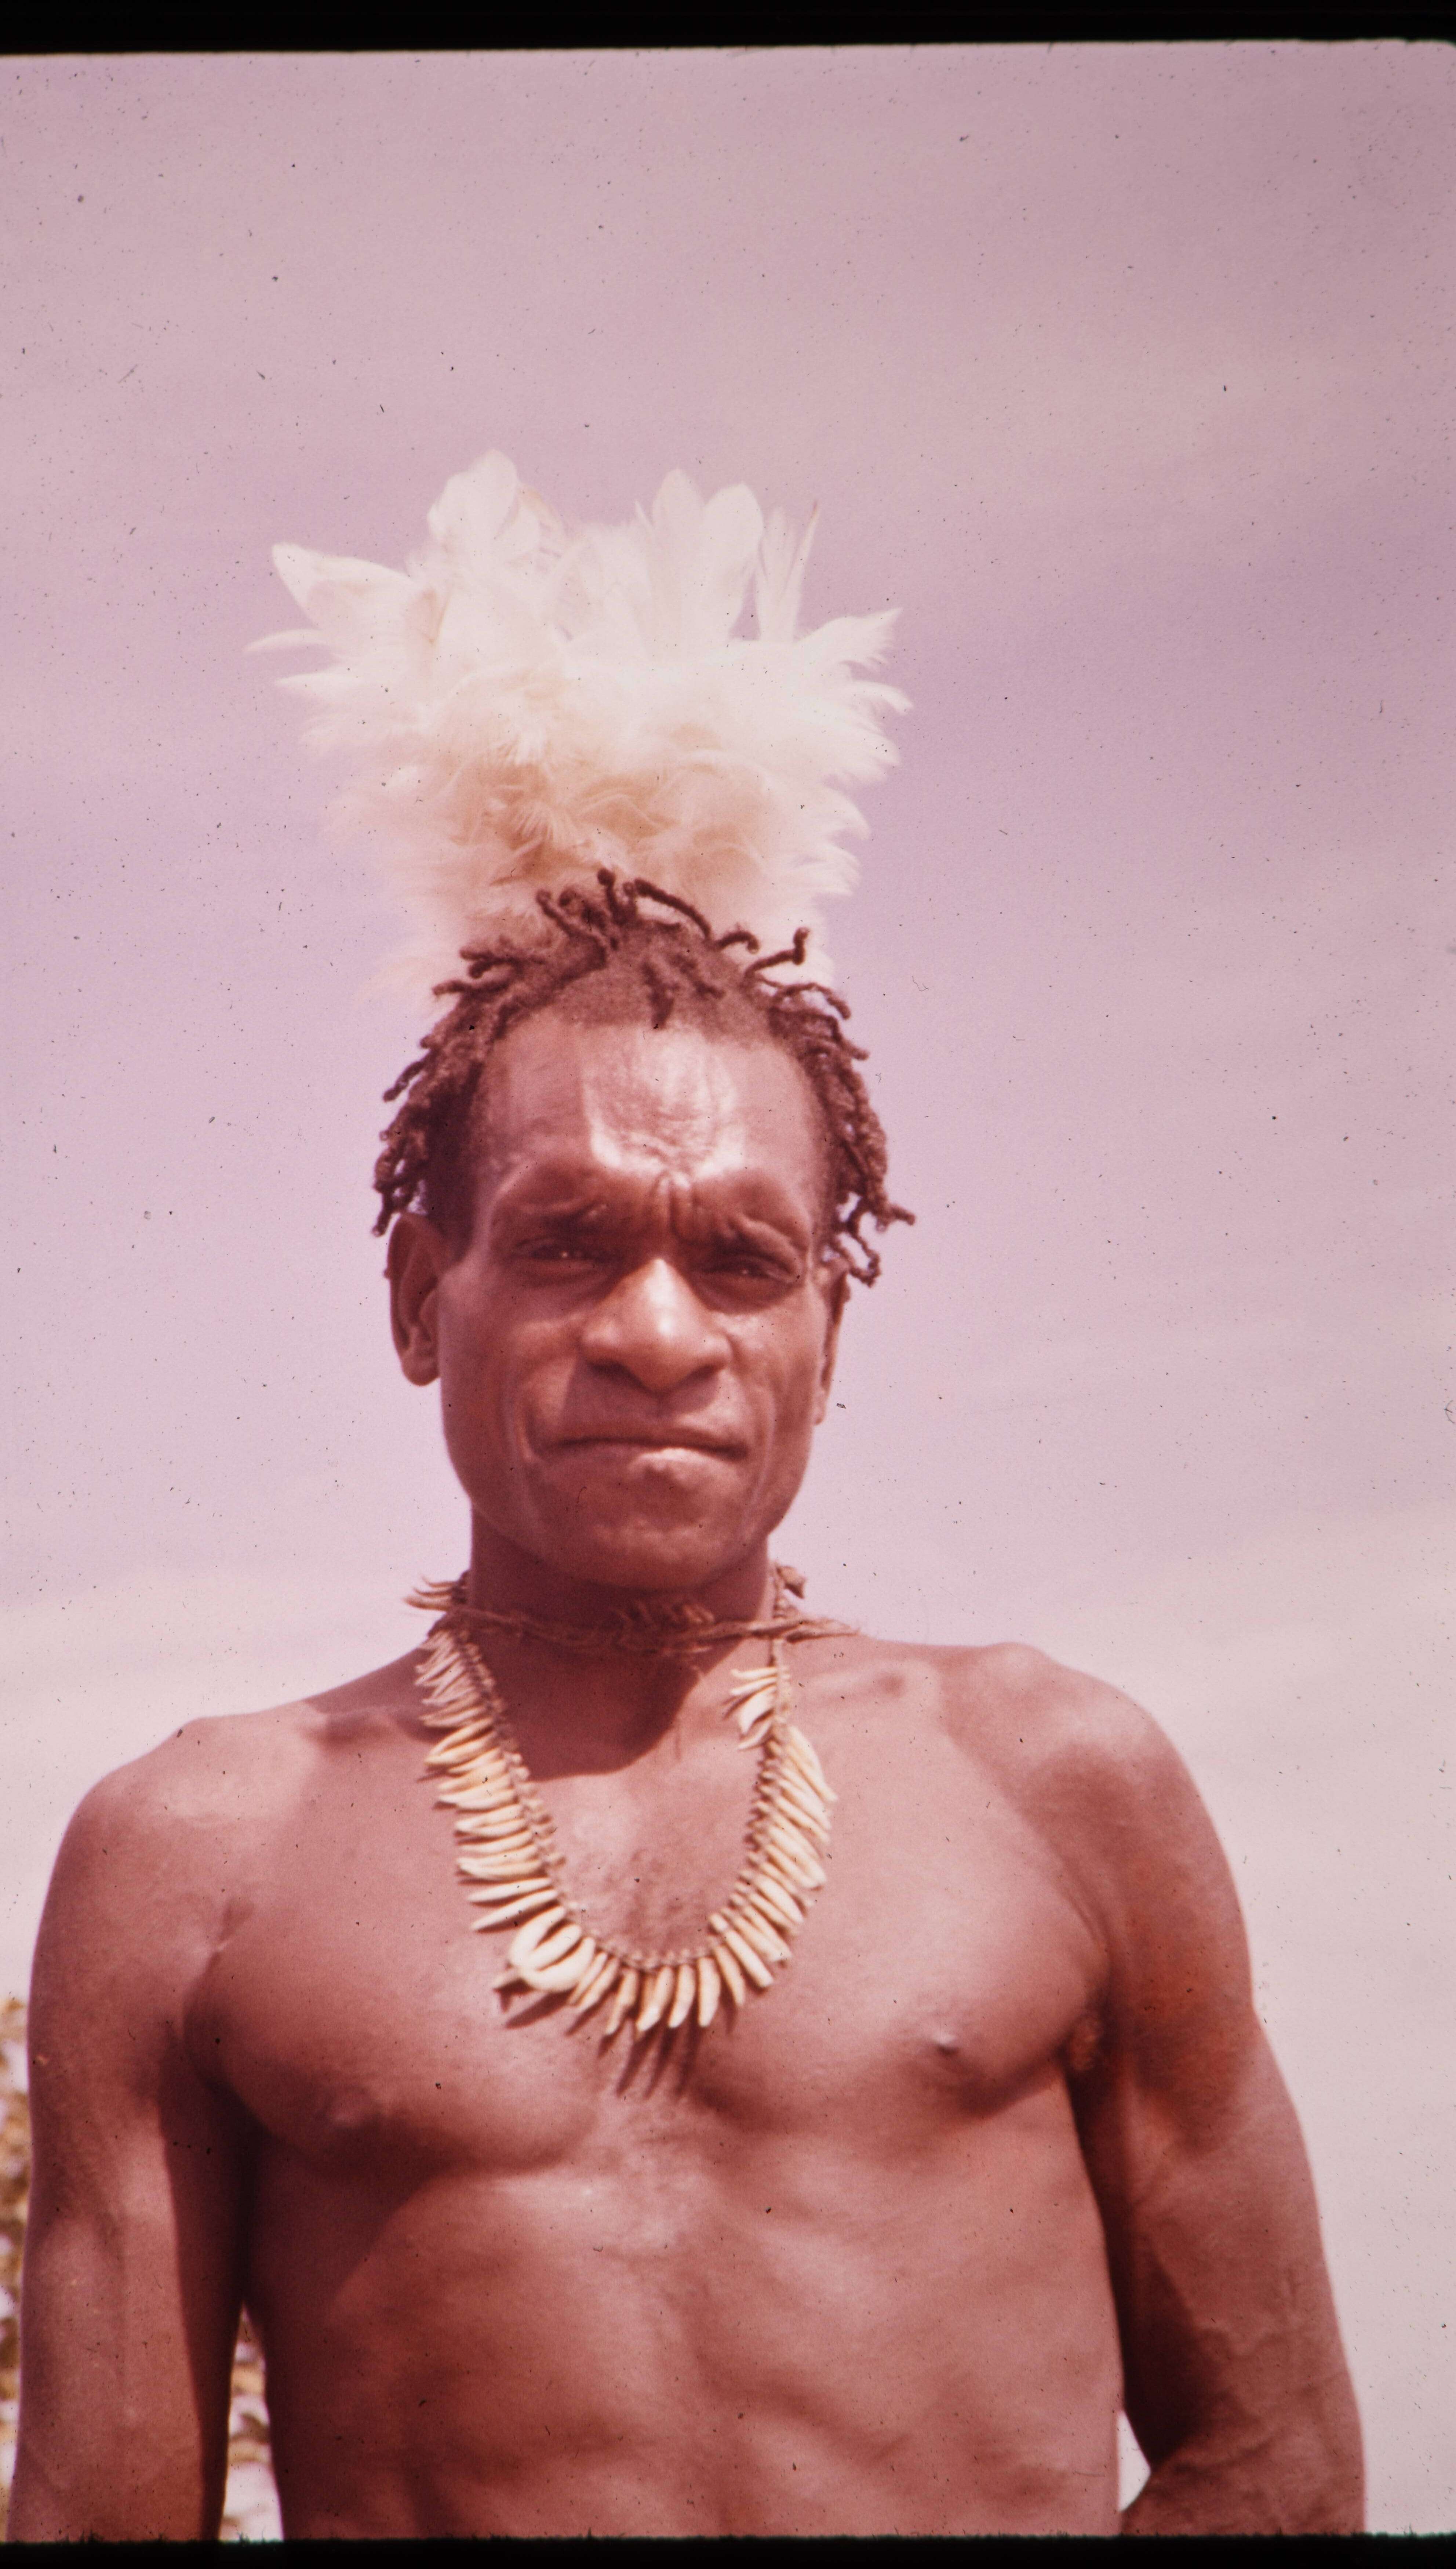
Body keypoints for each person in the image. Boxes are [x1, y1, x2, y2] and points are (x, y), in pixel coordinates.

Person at [9, 465, 1362, 2541]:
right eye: (566, 1243)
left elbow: (1278, 2465)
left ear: (829, 1325)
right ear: (420, 1296)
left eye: (742, 1260)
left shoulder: (1058, 1778)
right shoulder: (192, 1856)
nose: (658, 1332)